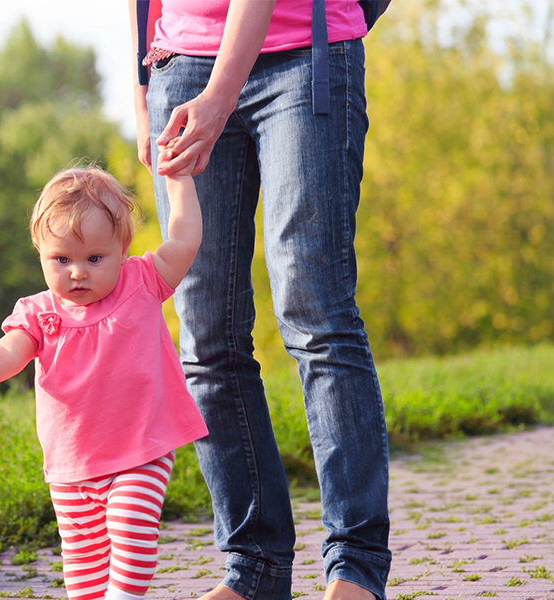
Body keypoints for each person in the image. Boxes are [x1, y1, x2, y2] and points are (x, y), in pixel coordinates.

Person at [128, 1, 392, 600]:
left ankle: (355, 567)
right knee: (205, 332)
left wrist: (220, 98)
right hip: (180, 64)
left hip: (304, 55)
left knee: (315, 310)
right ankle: (255, 571)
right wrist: (144, 89)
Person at [0, 163, 207, 600]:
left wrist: (178, 181)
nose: (77, 272)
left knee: (132, 529)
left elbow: (185, 240)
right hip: (71, 469)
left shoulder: (142, 283)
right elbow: (6, 354)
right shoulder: (38, 312)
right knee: (83, 579)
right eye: (61, 259)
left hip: (140, 449)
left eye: (94, 258)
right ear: (39, 251)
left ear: (122, 249)